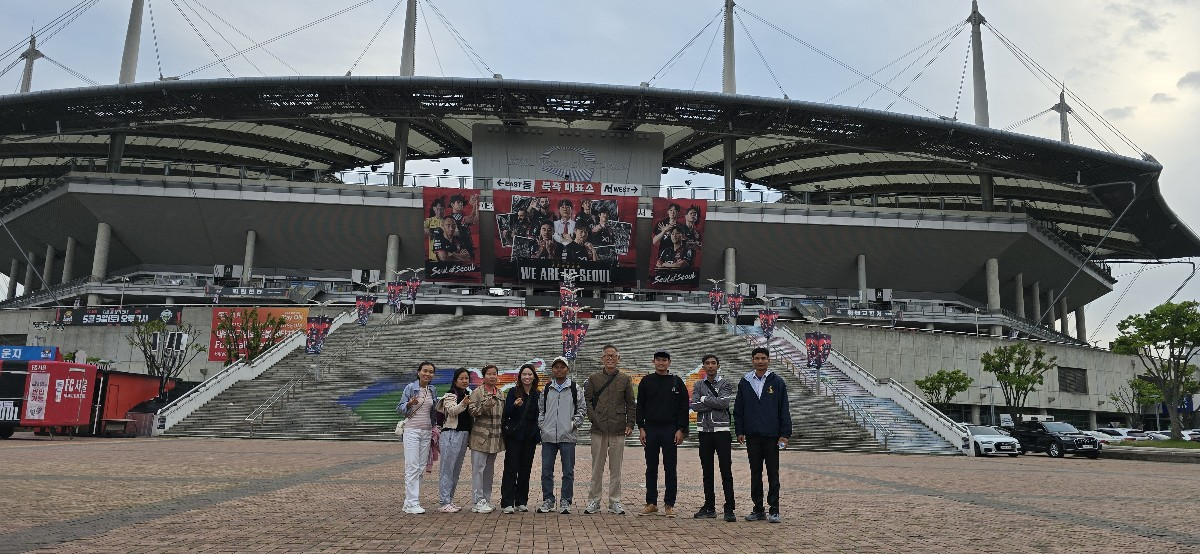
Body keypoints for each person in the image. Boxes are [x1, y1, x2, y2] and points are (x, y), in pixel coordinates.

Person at [734, 347, 792, 523]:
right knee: (755, 473)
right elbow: (739, 408)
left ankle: (774, 510)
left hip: (772, 436)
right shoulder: (745, 382)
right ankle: (758, 509)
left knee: (773, 474)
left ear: (769, 360)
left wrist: (784, 434)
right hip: (752, 435)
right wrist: (739, 430)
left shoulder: (777, 381)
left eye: (763, 358)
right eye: (757, 358)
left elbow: (784, 409)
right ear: (752, 360)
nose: (760, 361)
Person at [636, 350, 689, 517]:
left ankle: (669, 504)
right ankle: (651, 503)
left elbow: (684, 407)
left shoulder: (677, 382)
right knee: (651, 467)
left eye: (664, 360)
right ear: (653, 362)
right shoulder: (646, 381)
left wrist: (681, 429)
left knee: (670, 468)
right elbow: (640, 406)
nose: (661, 363)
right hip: (650, 429)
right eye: (658, 360)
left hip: (670, 429)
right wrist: (641, 427)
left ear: (669, 362)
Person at [583, 344, 635, 515]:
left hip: (618, 427)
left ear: (618, 358)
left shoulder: (625, 379)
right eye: (607, 355)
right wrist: (594, 418)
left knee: (616, 468)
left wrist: (630, 423)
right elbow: (587, 401)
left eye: (613, 356)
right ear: (602, 358)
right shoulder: (594, 378)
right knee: (596, 468)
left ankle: (615, 501)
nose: (610, 358)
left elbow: (630, 403)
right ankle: (594, 500)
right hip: (598, 428)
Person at [689, 354, 736, 521]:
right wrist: (712, 401)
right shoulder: (698, 384)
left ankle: (729, 509)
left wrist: (704, 399)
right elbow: (694, 406)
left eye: (713, 363)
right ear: (703, 366)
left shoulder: (725, 383)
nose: (710, 366)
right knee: (707, 471)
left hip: (722, 431)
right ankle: (709, 507)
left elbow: (724, 403)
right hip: (704, 432)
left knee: (726, 471)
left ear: (718, 365)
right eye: (707, 363)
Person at [537, 356, 585, 514]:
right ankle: (548, 500)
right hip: (548, 436)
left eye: (562, 367)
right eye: (556, 367)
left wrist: (573, 425)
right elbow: (541, 410)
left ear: (567, 369)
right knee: (546, 471)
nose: (559, 370)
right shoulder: (546, 389)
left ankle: (566, 500)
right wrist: (543, 425)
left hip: (567, 436)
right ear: (552, 369)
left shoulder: (575, 388)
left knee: (568, 471)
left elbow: (581, 410)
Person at [397, 361, 438, 514]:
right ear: (418, 372)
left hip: (426, 431)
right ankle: (412, 502)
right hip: (412, 431)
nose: (428, 374)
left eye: (431, 372)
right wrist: (409, 404)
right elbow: (399, 408)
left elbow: (433, 411)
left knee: (420, 467)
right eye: (425, 371)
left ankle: (410, 501)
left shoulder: (432, 390)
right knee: (412, 466)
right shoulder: (410, 388)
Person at [499, 364, 540, 514]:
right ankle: (507, 502)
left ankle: (521, 501)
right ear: (520, 376)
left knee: (525, 469)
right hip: (515, 436)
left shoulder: (537, 394)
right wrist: (515, 406)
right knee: (511, 468)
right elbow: (507, 412)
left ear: (534, 377)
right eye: (524, 374)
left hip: (530, 437)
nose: (527, 377)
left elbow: (539, 415)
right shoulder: (513, 392)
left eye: (530, 374)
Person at [468, 364, 505, 513]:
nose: (492, 376)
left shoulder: (500, 393)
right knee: (478, 470)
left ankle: (486, 499)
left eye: (494, 373)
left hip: (495, 437)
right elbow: (471, 411)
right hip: (480, 437)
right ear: (484, 377)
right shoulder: (477, 392)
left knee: (489, 471)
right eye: (489, 374)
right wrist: (485, 407)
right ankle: (477, 501)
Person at [435, 367, 473, 513]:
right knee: (447, 469)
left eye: (466, 378)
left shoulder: (468, 394)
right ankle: (444, 502)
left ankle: (449, 500)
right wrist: (464, 403)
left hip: (463, 435)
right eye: (461, 378)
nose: (464, 381)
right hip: (451, 434)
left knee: (455, 470)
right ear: (455, 380)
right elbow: (452, 411)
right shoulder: (450, 394)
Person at [423, 197, 446, 261]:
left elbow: (457, 232)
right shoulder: (429, 220)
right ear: (434, 208)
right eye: (438, 209)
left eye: (442, 209)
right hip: (433, 256)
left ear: (444, 209)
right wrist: (432, 231)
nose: (439, 211)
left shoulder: (448, 221)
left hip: (446, 256)